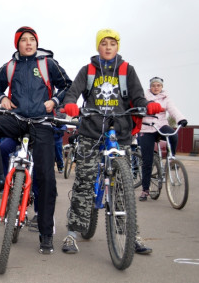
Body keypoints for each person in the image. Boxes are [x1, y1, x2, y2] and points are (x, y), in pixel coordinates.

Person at [61, 28, 161, 255]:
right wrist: (70, 104)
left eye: (112, 43)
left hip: (121, 132)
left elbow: (137, 96)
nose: (108, 47)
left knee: (123, 186)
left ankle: (130, 235)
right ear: (98, 46)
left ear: (117, 47)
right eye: (103, 43)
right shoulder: (88, 70)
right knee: (84, 183)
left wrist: (146, 105)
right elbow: (72, 92)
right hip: (91, 132)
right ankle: (72, 233)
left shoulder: (127, 70)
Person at [0, 26, 72, 254]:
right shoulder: (10, 66)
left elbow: (67, 86)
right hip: (16, 119)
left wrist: (55, 102)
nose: (28, 43)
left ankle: (46, 234)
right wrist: (2, 98)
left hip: (42, 123)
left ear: (37, 43)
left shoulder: (48, 63)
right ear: (17, 44)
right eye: (24, 40)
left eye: (32, 40)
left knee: (47, 179)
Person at [138, 77, 187, 201]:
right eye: (153, 85)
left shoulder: (166, 97)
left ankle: (172, 159)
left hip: (161, 125)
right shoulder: (144, 96)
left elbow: (173, 109)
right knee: (147, 161)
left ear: (161, 87)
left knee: (173, 135)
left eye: (158, 85)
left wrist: (180, 119)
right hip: (147, 128)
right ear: (150, 87)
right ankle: (145, 190)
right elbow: (139, 108)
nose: (156, 87)